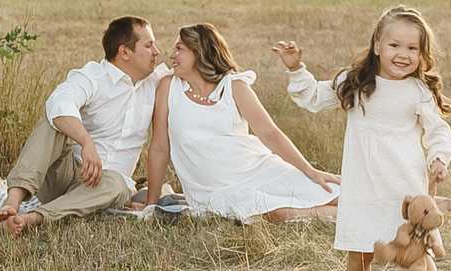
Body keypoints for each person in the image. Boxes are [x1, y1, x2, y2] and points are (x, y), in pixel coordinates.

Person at [274, 4, 451, 271]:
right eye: (394, 45)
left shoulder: (418, 92)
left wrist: (439, 158)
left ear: (422, 54)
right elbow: (312, 98)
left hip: (403, 189)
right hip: (363, 186)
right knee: (359, 254)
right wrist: (296, 68)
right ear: (376, 45)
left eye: (412, 48)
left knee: (418, 254)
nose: (402, 54)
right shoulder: (356, 83)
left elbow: (439, 131)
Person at [140, 24, 341, 224]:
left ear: (200, 53)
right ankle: (345, 215)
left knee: (336, 193)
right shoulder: (168, 87)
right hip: (215, 192)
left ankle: (352, 212)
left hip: (260, 170)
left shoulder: (234, 86)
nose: (172, 55)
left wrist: (310, 171)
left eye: (179, 49)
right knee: (278, 214)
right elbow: (159, 148)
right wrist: (151, 204)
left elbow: (270, 133)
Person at [0, 16, 166, 236]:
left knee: (117, 182)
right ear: (124, 52)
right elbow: (59, 103)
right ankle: (12, 201)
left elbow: (196, 73)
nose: (156, 52)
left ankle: (33, 218)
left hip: (105, 190)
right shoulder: (92, 76)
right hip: (66, 175)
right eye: (149, 45)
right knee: (53, 122)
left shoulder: (158, 83)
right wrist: (86, 142)